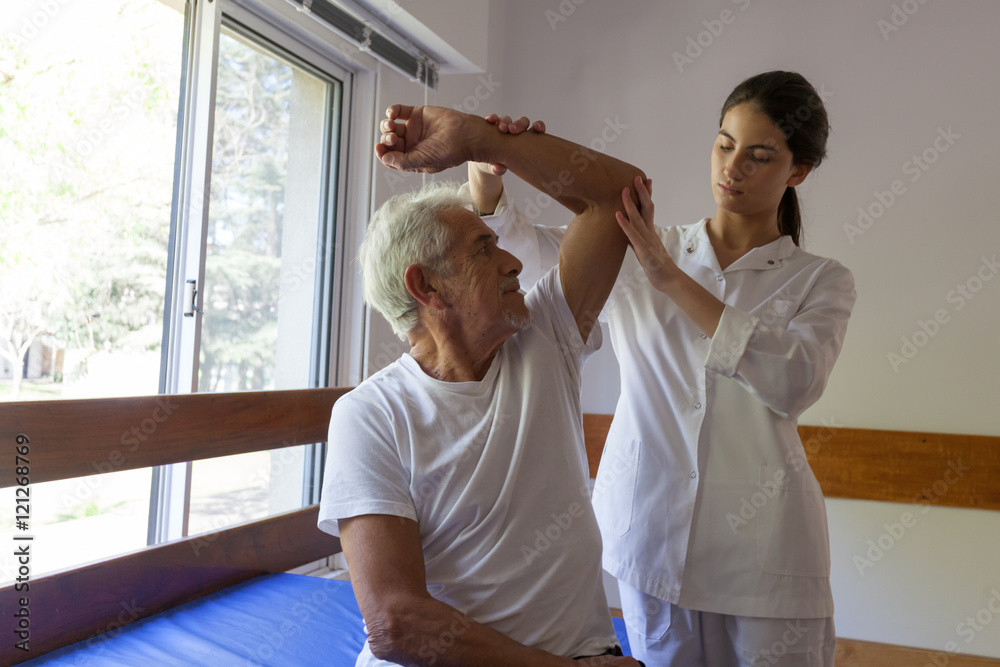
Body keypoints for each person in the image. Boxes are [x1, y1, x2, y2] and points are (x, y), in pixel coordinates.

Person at [470, 71, 856, 665]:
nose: (732, 168)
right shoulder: (643, 243)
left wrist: (669, 278)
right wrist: (488, 176)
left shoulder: (820, 280)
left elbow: (795, 381)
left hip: (767, 557)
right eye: (724, 144)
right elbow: (532, 253)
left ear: (797, 171)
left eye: (758, 156)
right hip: (651, 538)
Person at [318, 103, 649, 666]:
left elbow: (619, 196)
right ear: (427, 287)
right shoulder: (371, 415)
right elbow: (396, 623)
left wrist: (483, 140)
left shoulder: (545, 336)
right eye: (483, 249)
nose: (515, 261)